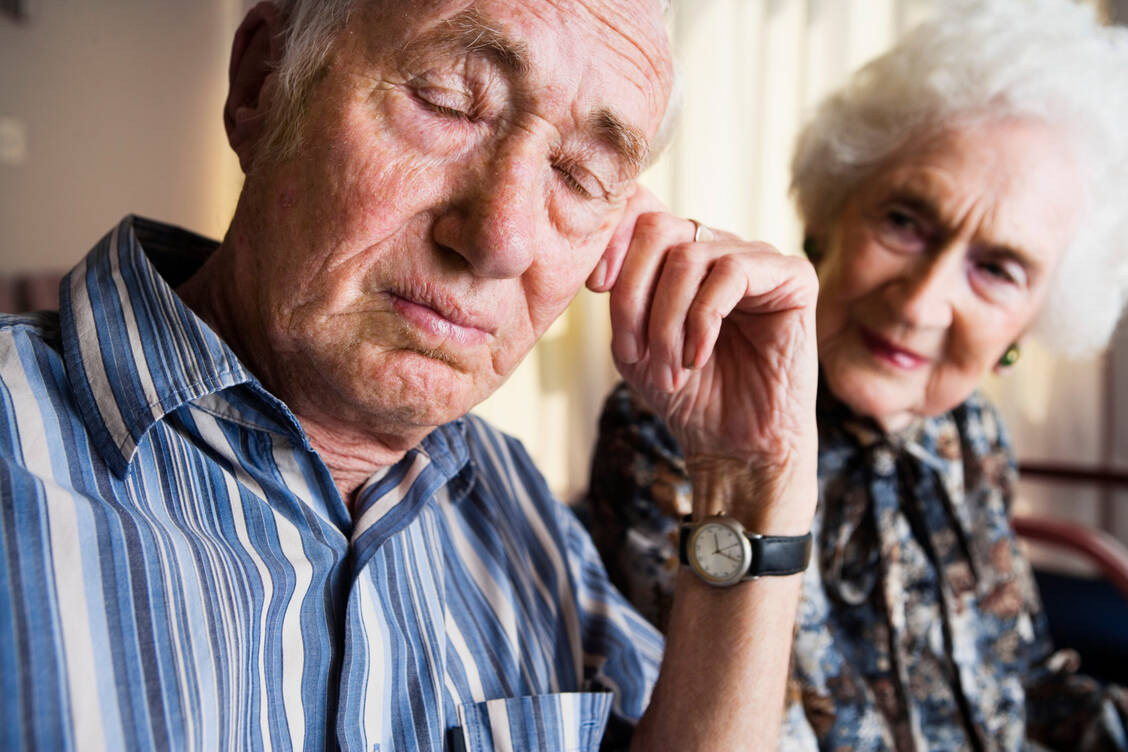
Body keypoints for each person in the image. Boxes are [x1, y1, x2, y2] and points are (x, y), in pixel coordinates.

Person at [0, 0, 823, 749]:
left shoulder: (515, 503)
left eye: (577, 176)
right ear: (262, 82)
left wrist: (752, 480)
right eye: (448, 101)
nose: (502, 236)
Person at [583, 0, 1128, 749]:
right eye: (904, 221)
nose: (922, 301)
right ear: (827, 219)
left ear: (1030, 324)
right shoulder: (686, 418)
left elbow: (1019, 676)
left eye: (997, 269)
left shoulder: (970, 433)